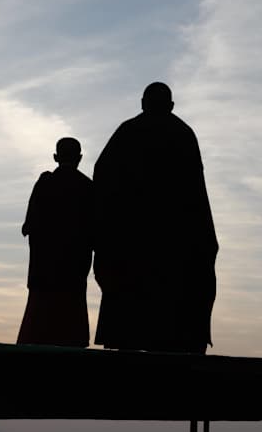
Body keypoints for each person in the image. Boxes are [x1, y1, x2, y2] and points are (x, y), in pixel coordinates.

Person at [93, 82, 218, 353]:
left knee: (129, 329)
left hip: (131, 248)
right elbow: (196, 196)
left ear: (142, 103)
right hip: (176, 249)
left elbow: (102, 181)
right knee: (170, 323)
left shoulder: (127, 133)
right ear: (171, 106)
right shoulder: (183, 134)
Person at [17, 137, 94, 347]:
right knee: (70, 337)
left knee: (36, 334)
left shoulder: (45, 184)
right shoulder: (88, 188)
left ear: (55, 157)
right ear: (79, 158)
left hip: (43, 275)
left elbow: (28, 226)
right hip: (73, 277)